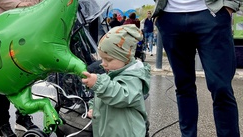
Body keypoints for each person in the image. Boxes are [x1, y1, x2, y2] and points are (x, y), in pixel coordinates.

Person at [153, 0, 241, 137]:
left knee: (221, 87)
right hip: (170, 16)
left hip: (212, 13)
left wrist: (230, 5)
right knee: (183, 85)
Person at [81, 24, 151, 137]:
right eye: (102, 58)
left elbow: (121, 96)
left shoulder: (133, 77)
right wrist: (93, 107)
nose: (103, 64)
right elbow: (101, 96)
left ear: (126, 58)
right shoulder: (113, 72)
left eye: (108, 59)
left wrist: (98, 83)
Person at [0, 0, 42, 137]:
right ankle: (2, 124)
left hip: (28, 28)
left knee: (26, 74)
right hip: (6, 28)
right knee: (4, 76)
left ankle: (22, 117)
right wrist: (20, 4)